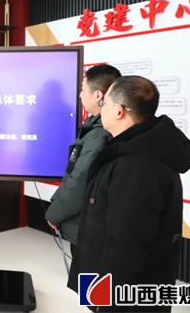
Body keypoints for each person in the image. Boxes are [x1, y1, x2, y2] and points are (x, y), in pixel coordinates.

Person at [68, 76, 190, 312]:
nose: (101, 109)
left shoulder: (138, 167)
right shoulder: (127, 149)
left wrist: (106, 305)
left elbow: (126, 247)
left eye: (104, 103)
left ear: (119, 111)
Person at [45, 64, 121, 253]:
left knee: (87, 271)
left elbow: (80, 180)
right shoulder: (97, 128)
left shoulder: (99, 135)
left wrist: (54, 214)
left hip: (88, 227)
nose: (80, 95)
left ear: (98, 95)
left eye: (82, 89)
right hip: (90, 225)